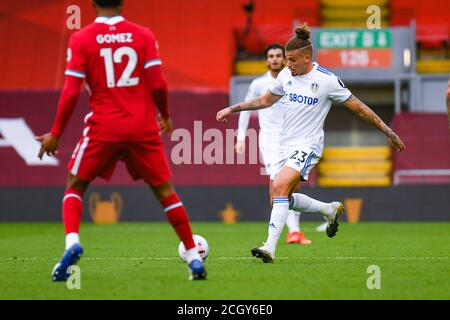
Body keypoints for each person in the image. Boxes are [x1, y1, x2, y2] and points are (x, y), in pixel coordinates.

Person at [36, 0, 206, 280]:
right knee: (166, 192)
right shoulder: (143, 35)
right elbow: (158, 82)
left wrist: (56, 133)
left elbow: (70, 91)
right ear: (123, 2)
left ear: (92, 2)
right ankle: (193, 258)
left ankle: (72, 243)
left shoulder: (82, 38)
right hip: (142, 126)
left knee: (75, 185)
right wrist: (165, 114)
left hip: (104, 127)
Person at [217, 25, 406, 263]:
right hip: (283, 145)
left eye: (293, 60)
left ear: (307, 58)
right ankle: (329, 209)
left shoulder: (327, 80)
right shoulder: (286, 75)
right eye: (287, 59)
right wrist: (233, 109)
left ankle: (270, 247)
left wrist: (388, 131)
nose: (288, 64)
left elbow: (359, 107)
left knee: (281, 186)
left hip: (308, 146)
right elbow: (265, 100)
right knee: (279, 197)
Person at [235, 44, 311, 245]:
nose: (275, 59)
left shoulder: (293, 80)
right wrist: (241, 138)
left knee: (294, 183)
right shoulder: (259, 84)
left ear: (285, 59)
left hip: (293, 137)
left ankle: (294, 231)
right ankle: (289, 231)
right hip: (269, 140)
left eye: (279, 55)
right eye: (272, 56)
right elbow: (247, 109)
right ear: (267, 60)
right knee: (277, 185)